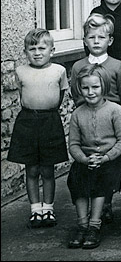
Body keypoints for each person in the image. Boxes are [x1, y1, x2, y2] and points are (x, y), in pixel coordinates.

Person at [7, 29, 69, 229]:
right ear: (25, 52)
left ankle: (48, 208)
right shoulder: (21, 71)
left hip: (49, 121)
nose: (37, 52)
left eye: (42, 48)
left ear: (52, 50)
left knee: (48, 168)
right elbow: (21, 93)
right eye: (31, 48)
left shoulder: (59, 71)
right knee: (31, 168)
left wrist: (47, 112)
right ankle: (35, 209)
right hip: (27, 121)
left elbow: (60, 97)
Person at [66, 64, 121, 249]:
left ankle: (94, 225)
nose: (90, 92)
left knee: (100, 179)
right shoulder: (78, 113)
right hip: (86, 159)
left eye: (95, 87)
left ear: (104, 87)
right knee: (76, 178)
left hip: (112, 159)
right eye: (85, 88)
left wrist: (106, 157)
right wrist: (84, 159)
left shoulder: (115, 110)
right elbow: (74, 144)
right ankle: (82, 224)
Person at [70, 14, 121, 108]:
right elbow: (76, 95)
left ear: (110, 41)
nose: (96, 41)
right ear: (85, 41)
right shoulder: (78, 66)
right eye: (91, 37)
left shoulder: (118, 66)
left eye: (101, 37)